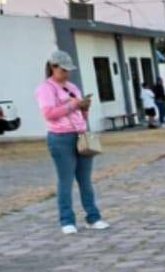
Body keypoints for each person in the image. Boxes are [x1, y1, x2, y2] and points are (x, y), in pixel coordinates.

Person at [35, 48, 110, 235]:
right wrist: (73, 105)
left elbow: (81, 115)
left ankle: (93, 217)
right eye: (63, 69)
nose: (66, 73)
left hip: (80, 135)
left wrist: (84, 107)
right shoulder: (45, 88)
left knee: (85, 181)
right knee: (65, 180)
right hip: (60, 137)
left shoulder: (73, 87)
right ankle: (67, 220)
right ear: (53, 67)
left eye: (68, 70)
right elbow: (49, 114)